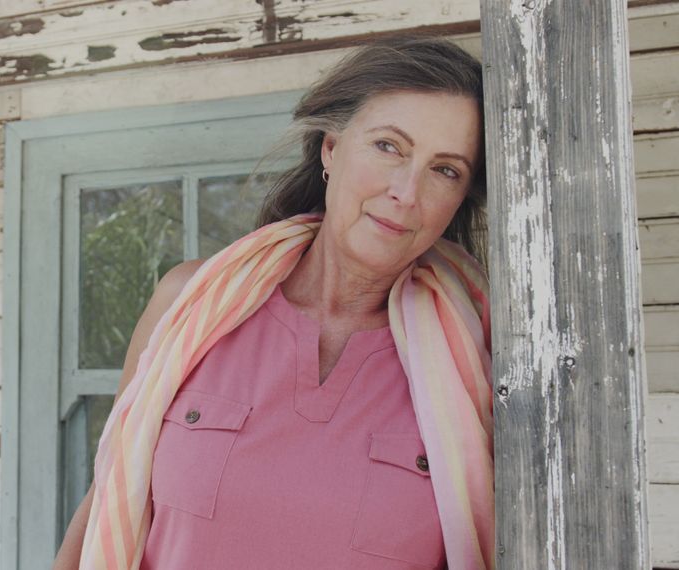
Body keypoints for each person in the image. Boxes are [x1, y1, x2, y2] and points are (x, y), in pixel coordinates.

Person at [54, 35, 494, 570]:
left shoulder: (479, 360)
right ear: (331, 148)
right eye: (388, 146)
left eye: (445, 169)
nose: (406, 190)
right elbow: (109, 491)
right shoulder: (190, 303)